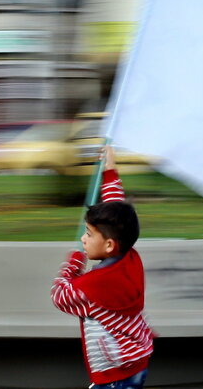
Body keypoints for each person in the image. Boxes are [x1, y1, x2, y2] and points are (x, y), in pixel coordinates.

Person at [51, 146, 154, 388]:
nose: (83, 239)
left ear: (109, 245)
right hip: (137, 362)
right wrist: (110, 169)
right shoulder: (130, 258)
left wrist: (72, 266)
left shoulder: (90, 287)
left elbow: (59, 296)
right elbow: (116, 208)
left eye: (88, 234)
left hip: (112, 374)